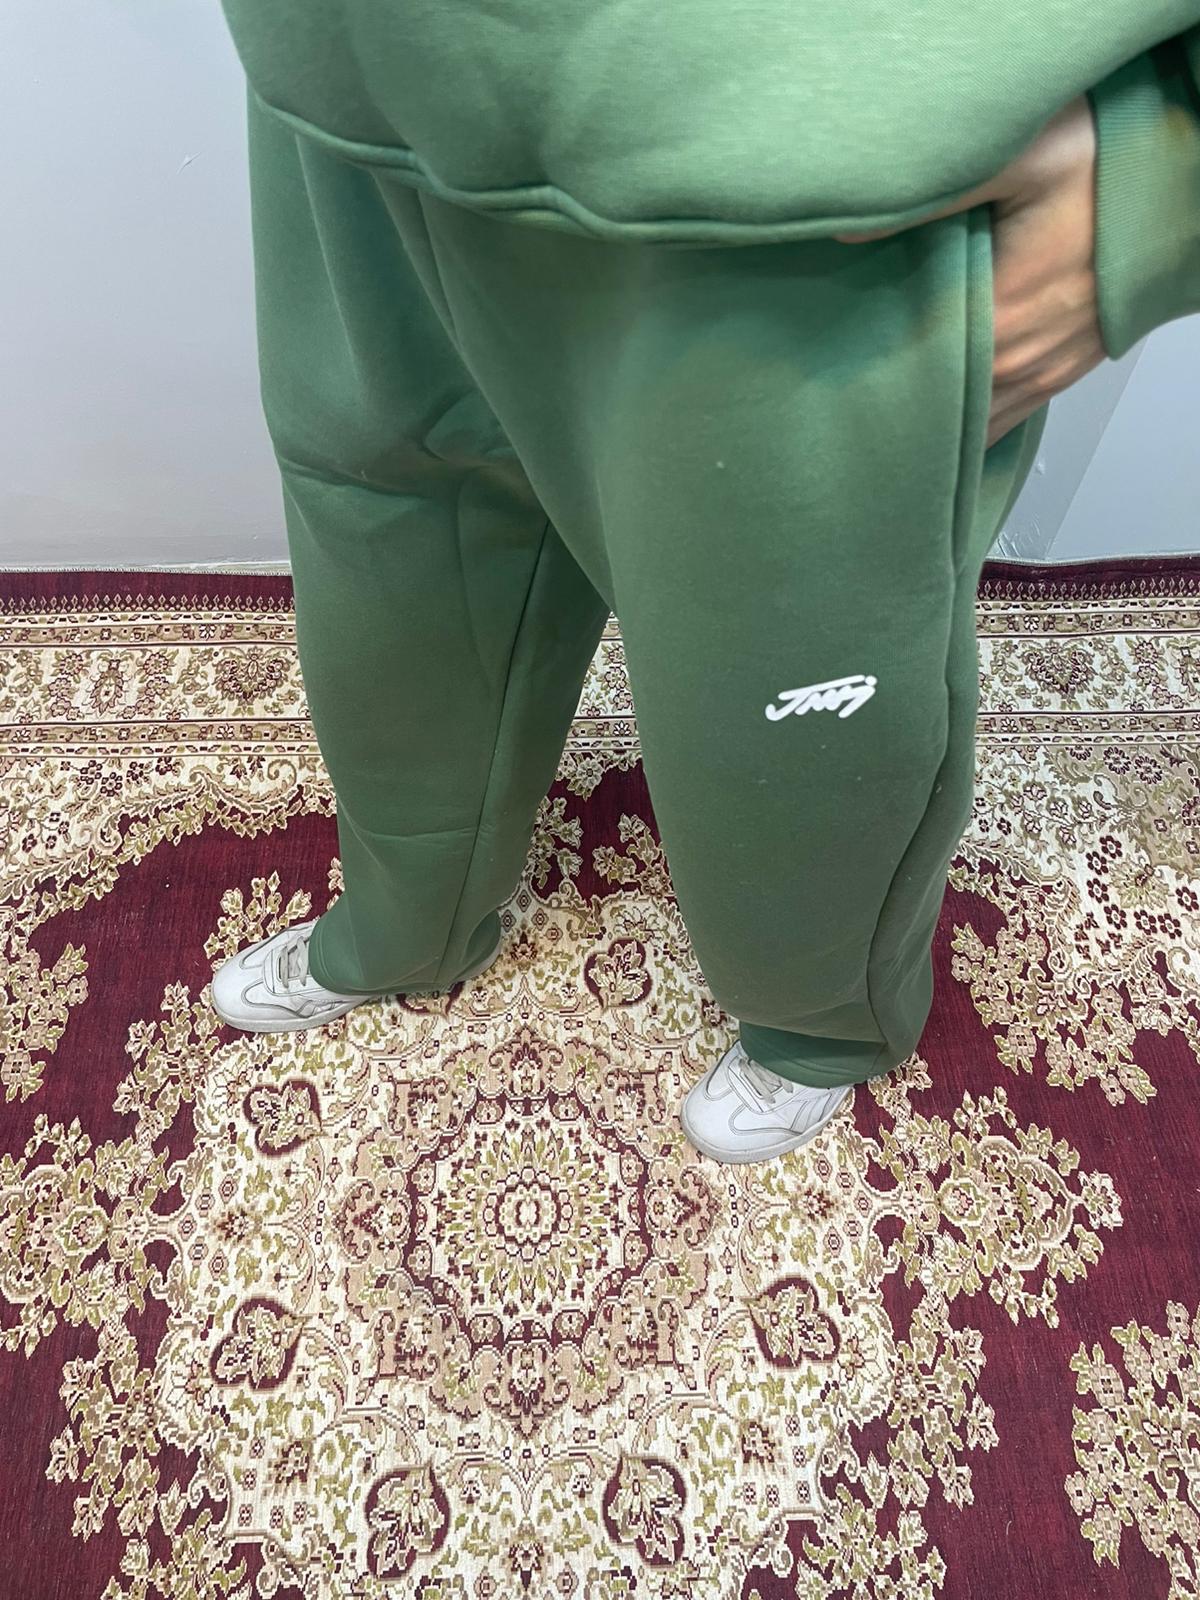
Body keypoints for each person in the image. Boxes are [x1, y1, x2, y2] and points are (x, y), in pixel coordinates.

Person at [210, 5, 1200, 1165]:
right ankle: (407, 922)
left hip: (802, 188)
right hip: (351, 104)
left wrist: (1162, 174)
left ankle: (820, 1026)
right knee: (390, 574)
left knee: (783, 706)